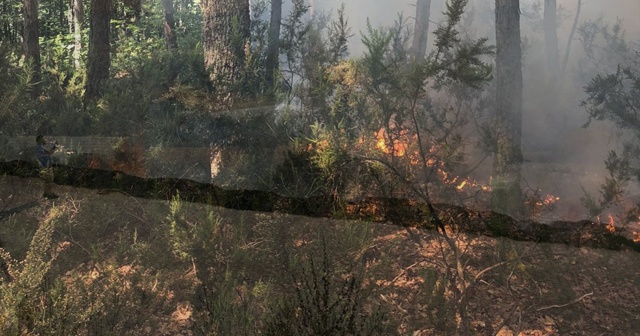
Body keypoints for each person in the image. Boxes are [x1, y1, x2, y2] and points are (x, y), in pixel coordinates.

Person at [35, 135, 59, 199]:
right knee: (49, 180)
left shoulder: (40, 147)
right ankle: (49, 194)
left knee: (48, 181)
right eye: (43, 139)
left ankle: (47, 194)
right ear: (40, 140)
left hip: (46, 166)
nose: (45, 140)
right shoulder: (39, 147)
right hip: (45, 166)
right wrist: (54, 147)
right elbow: (49, 153)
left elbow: (48, 153)